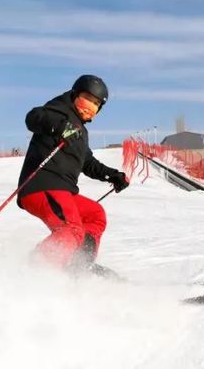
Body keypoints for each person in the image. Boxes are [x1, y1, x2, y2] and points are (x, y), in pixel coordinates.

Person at [17, 75, 129, 275]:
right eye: (88, 98)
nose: (91, 106)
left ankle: (78, 264)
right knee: (71, 228)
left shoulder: (79, 131)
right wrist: (60, 127)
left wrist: (112, 175)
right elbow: (33, 117)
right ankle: (34, 270)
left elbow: (88, 163)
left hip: (63, 191)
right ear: (75, 94)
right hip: (42, 185)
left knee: (95, 214)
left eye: (97, 104)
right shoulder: (60, 110)